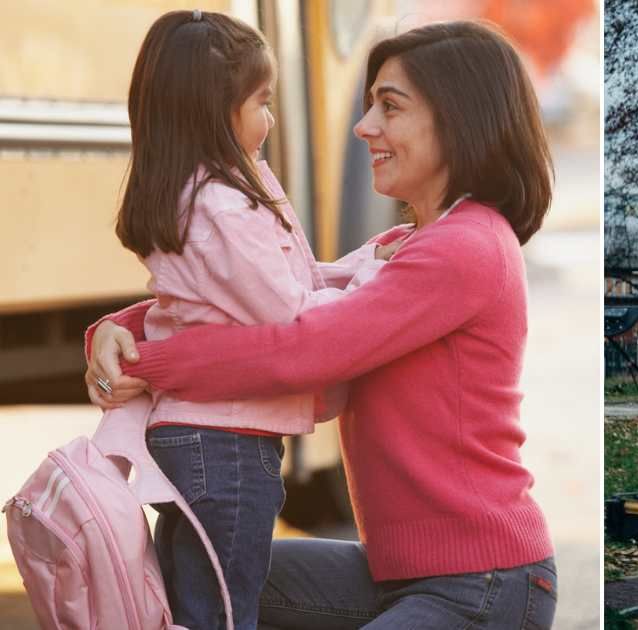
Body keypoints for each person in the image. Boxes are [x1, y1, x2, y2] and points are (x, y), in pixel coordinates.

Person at [87, 19, 557, 629]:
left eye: (389, 107)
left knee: (216, 587)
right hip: (396, 573)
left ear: (459, 119)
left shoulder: (466, 249)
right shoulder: (407, 245)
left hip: (484, 584)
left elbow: (302, 349)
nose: (364, 128)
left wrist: (148, 365)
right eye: (369, 107)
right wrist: (115, 328)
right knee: (186, 579)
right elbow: (266, 291)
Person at [88, 10, 395, 629]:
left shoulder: (205, 190)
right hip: (225, 445)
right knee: (223, 613)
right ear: (215, 109)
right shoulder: (222, 206)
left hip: (200, 438)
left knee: (191, 602)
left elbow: (289, 282)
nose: (271, 119)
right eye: (261, 102)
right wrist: (376, 283)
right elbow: (290, 313)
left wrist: (365, 259)